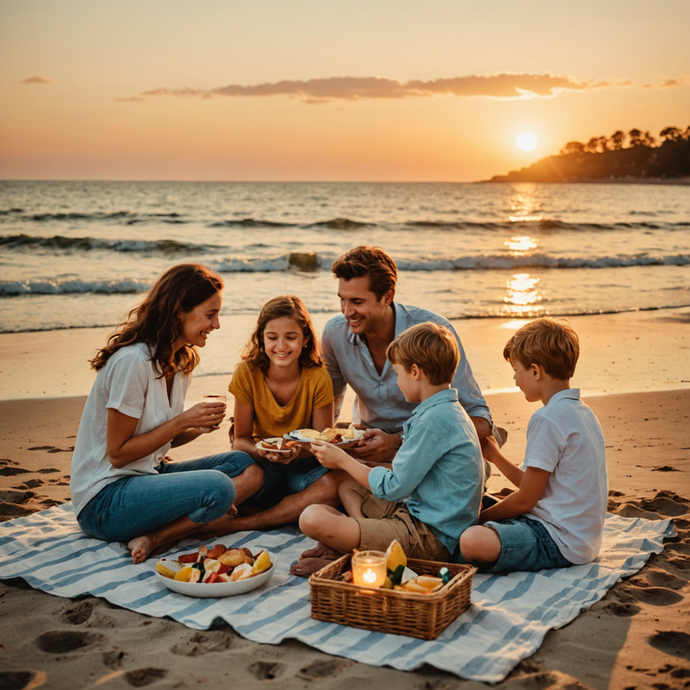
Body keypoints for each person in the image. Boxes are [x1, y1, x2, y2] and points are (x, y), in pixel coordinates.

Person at [70, 264, 263, 564]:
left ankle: (158, 532)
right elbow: (119, 454)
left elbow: (162, 441)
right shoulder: (133, 362)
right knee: (220, 487)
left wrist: (198, 427)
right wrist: (184, 419)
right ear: (178, 311)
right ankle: (166, 534)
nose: (217, 325)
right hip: (104, 501)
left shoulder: (181, 361)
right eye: (210, 315)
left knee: (245, 465)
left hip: (147, 475)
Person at [293, 322, 484, 573]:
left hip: (432, 538)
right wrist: (363, 463)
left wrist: (343, 460)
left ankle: (359, 555)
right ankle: (363, 544)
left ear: (415, 371)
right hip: (418, 512)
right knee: (349, 486)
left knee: (312, 518)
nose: (397, 381)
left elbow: (393, 488)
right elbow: (410, 473)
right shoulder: (446, 410)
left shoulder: (432, 420)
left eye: (398, 373)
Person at [321, 245, 499, 466]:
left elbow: (480, 417)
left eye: (357, 302)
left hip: (431, 449)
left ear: (388, 297)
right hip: (368, 446)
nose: (347, 312)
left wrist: (399, 440)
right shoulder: (333, 334)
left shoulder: (434, 333)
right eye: (342, 300)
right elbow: (328, 407)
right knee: (329, 478)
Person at [459, 318, 608, 573]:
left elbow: (524, 501)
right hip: (582, 539)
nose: (515, 379)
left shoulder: (547, 419)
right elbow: (534, 486)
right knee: (475, 500)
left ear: (536, 371)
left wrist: (479, 520)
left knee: (471, 539)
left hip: (557, 540)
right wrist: (495, 457)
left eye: (516, 370)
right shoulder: (583, 413)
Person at [224, 295, 345, 533]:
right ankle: (283, 511)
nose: (281, 346)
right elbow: (240, 440)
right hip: (262, 466)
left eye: (291, 337)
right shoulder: (247, 373)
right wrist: (262, 451)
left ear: (306, 340)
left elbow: (322, 443)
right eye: (272, 338)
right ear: (261, 338)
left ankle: (252, 519)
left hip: (303, 469)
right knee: (241, 474)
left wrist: (297, 451)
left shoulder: (318, 378)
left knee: (338, 481)